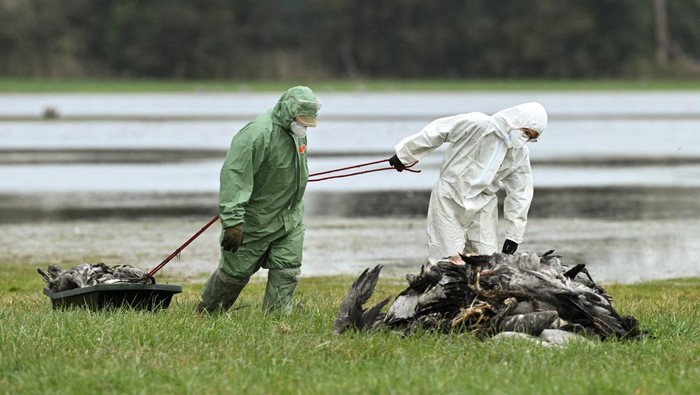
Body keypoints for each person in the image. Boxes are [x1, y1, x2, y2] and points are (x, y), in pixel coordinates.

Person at [197, 86, 321, 315]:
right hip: (255, 222)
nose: (303, 126)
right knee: (234, 276)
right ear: (287, 110)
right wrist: (233, 222)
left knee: (287, 270)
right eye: (300, 120)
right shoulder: (257, 134)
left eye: (307, 122)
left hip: (289, 219)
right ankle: (206, 313)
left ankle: (276, 320)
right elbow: (235, 177)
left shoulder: (298, 132)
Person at [388, 102, 548, 264]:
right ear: (517, 120)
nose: (524, 139)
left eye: (531, 138)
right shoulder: (477, 124)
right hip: (450, 198)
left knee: (486, 261)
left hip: (484, 205)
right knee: (448, 261)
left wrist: (513, 236)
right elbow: (438, 130)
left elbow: (520, 192)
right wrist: (405, 155)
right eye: (525, 133)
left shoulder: (518, 152)